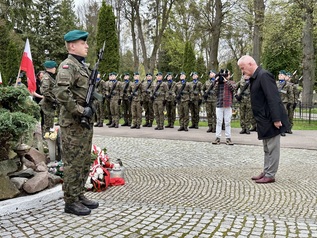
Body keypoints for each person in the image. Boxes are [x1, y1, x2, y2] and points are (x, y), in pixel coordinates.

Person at [55, 30, 99, 216]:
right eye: (83, 43)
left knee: (83, 160)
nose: (87, 46)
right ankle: (70, 201)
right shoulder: (68, 66)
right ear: (72, 45)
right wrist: (81, 111)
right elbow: (62, 93)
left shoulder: (82, 67)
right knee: (73, 161)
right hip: (73, 123)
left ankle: (79, 193)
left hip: (83, 123)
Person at [238, 55, 290, 184]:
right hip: (263, 119)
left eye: (243, 68)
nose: (242, 71)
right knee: (267, 148)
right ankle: (266, 171)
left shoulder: (264, 75)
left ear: (250, 64)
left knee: (272, 148)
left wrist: (276, 119)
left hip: (270, 119)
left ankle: (270, 174)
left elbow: (273, 98)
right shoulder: (255, 77)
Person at [211, 69, 235, 145]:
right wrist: (216, 81)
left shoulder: (231, 82)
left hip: (228, 104)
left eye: (226, 75)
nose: (225, 76)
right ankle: (217, 138)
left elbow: (233, 89)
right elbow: (214, 92)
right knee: (219, 121)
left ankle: (228, 138)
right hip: (219, 104)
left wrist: (226, 81)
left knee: (227, 122)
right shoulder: (218, 83)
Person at [39, 61, 58, 138]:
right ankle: (45, 141)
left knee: (49, 123)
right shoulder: (46, 77)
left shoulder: (49, 77)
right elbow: (45, 91)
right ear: (50, 68)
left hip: (49, 104)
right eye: (54, 67)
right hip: (47, 104)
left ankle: (46, 139)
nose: (55, 69)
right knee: (47, 124)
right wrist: (53, 100)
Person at [276, 70, 293, 136]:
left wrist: (291, 103)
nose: (280, 76)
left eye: (281, 75)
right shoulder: (276, 83)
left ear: (285, 76)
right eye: (279, 75)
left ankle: (283, 129)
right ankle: (277, 129)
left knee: (283, 116)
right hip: (277, 101)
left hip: (284, 102)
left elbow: (290, 94)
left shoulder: (288, 85)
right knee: (277, 115)